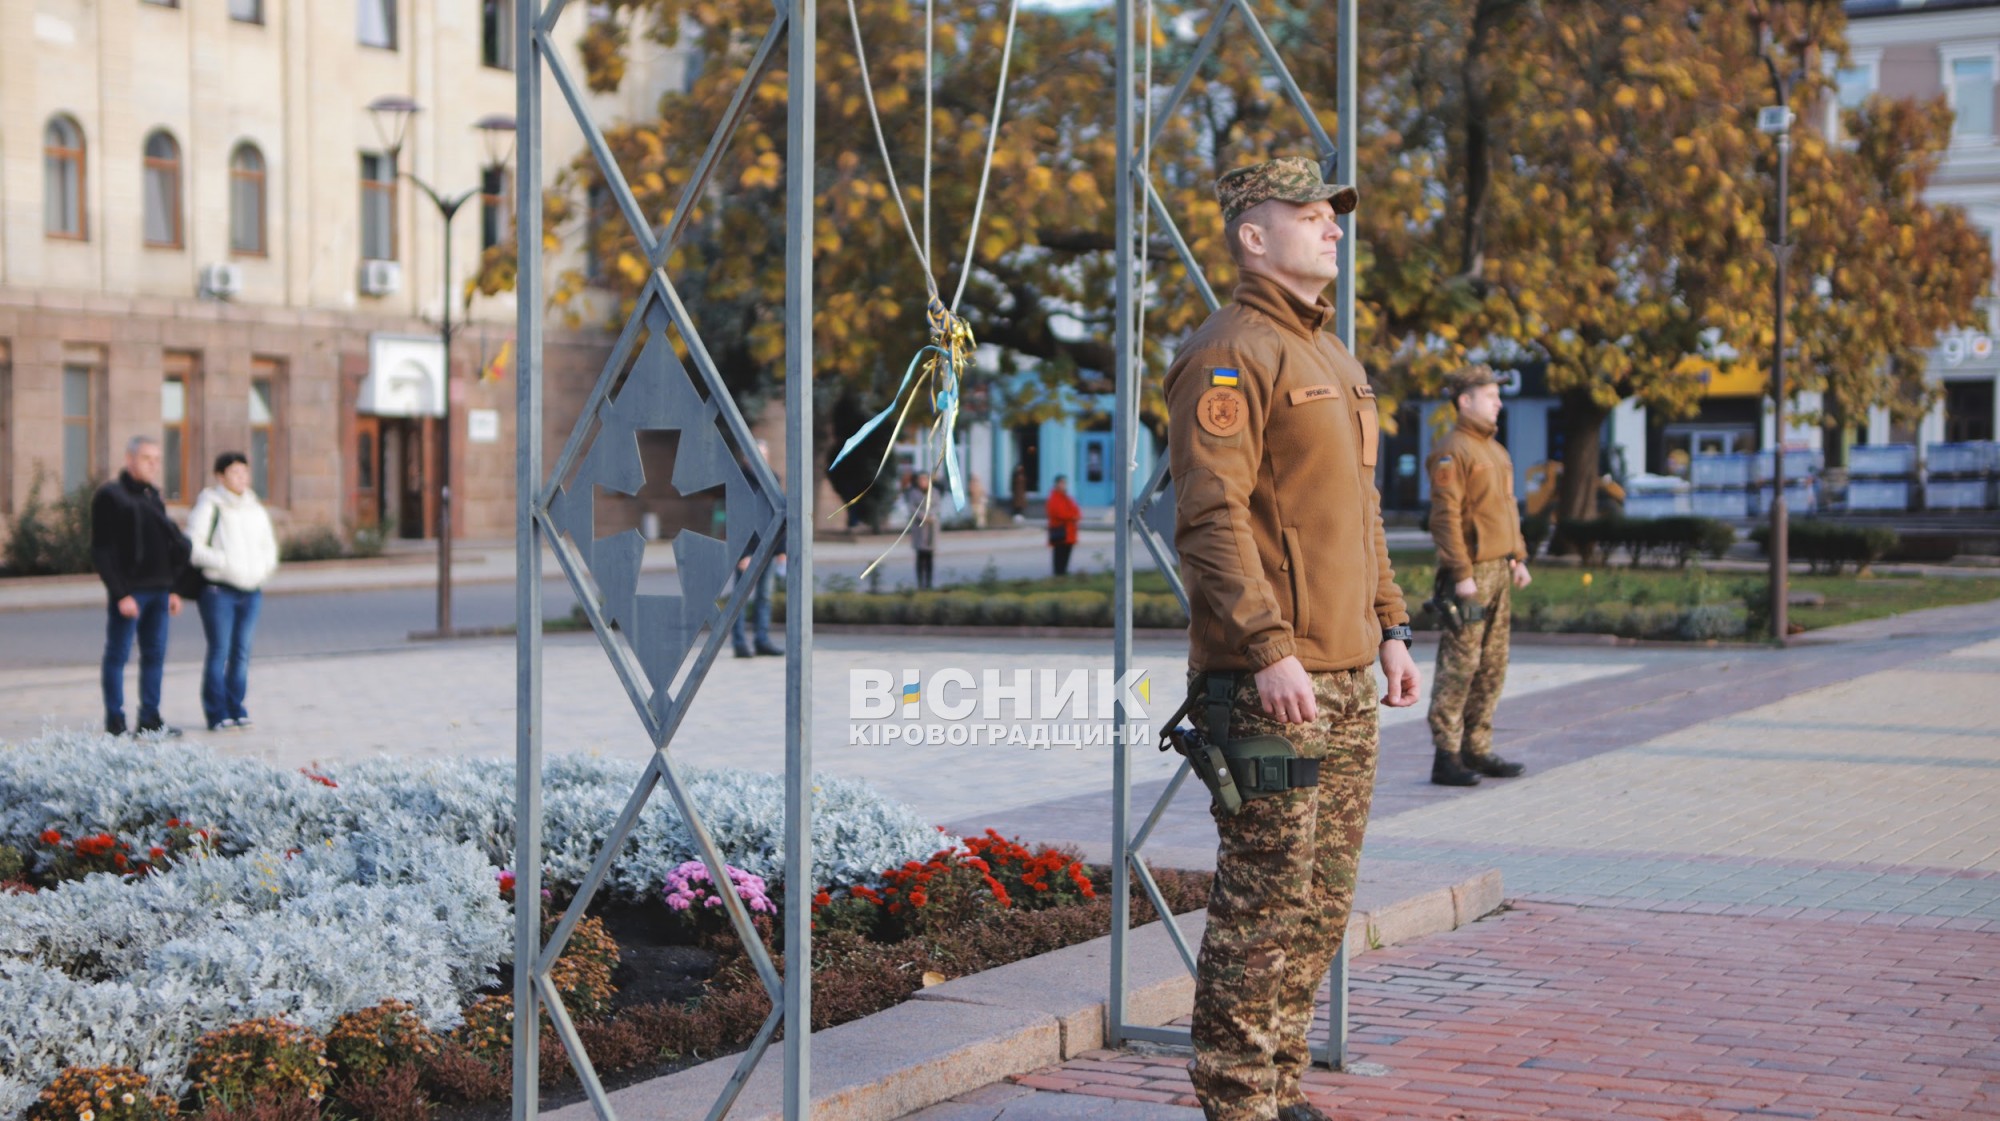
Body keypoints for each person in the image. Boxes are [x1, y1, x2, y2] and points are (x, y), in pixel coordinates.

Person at [1165, 156, 1420, 1121]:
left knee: (1317, 905)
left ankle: (1278, 1086)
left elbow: (1359, 517)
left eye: (1335, 216)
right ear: (1252, 235)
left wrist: (1391, 626)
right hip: (1270, 679)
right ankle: (1235, 1101)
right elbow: (1212, 520)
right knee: (1261, 905)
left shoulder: (1336, 358)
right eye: (1310, 215)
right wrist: (1268, 648)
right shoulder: (1228, 354)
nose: (1334, 229)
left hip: (1348, 673)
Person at [1425, 365, 1532, 786]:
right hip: (1470, 575)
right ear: (1465, 400)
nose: (1499, 403)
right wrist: (1461, 573)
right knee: (1460, 664)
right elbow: (1445, 518)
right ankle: (1446, 754)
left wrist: (1517, 556)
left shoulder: (1496, 451)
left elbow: (1506, 508)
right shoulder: (1453, 451)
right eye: (1491, 396)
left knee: (1492, 664)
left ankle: (1477, 748)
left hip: (1498, 570)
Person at [91, 436, 193, 736]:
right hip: (131, 593)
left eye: (157, 459)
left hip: (160, 591)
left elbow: (165, 547)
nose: (154, 465)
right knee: (118, 655)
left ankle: (150, 719)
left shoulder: (153, 496)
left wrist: (174, 589)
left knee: (155, 655)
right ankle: (115, 721)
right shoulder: (110, 496)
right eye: (147, 458)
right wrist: (120, 593)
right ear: (129, 459)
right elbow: (102, 550)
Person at [184, 452, 281, 731]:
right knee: (220, 650)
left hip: (251, 592)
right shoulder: (210, 505)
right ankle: (216, 712)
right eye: (235, 473)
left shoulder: (255, 508)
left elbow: (269, 547)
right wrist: (226, 564)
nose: (241, 478)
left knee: (242, 651)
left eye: (245, 473)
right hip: (219, 592)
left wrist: (262, 570)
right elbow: (193, 547)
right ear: (220, 476)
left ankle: (236, 706)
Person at [731, 439, 784, 658]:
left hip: (769, 548)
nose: (760, 460)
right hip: (748, 551)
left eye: (764, 456)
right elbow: (735, 520)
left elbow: (779, 515)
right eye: (756, 455)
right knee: (741, 598)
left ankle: (762, 640)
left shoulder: (773, 480)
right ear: (746, 458)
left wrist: (782, 549)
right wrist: (741, 554)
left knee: (765, 597)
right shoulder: (738, 480)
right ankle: (740, 643)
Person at [908, 471, 941, 590]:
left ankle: (929, 583)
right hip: (919, 528)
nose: (922, 482)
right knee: (920, 556)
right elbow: (912, 508)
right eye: (920, 480)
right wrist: (923, 516)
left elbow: (937, 507)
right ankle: (920, 584)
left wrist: (931, 516)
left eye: (925, 479)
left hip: (931, 528)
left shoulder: (935, 493)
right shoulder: (913, 493)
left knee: (929, 557)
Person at [1045, 475, 1080, 576]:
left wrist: (1075, 516)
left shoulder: (1066, 497)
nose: (1063, 485)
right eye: (1061, 483)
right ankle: (1058, 574)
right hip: (1060, 531)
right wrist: (1072, 516)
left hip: (1069, 532)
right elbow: (1058, 513)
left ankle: (1063, 573)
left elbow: (1075, 510)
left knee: (1066, 553)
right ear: (1056, 484)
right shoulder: (1054, 498)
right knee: (1059, 554)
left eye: (1064, 483)